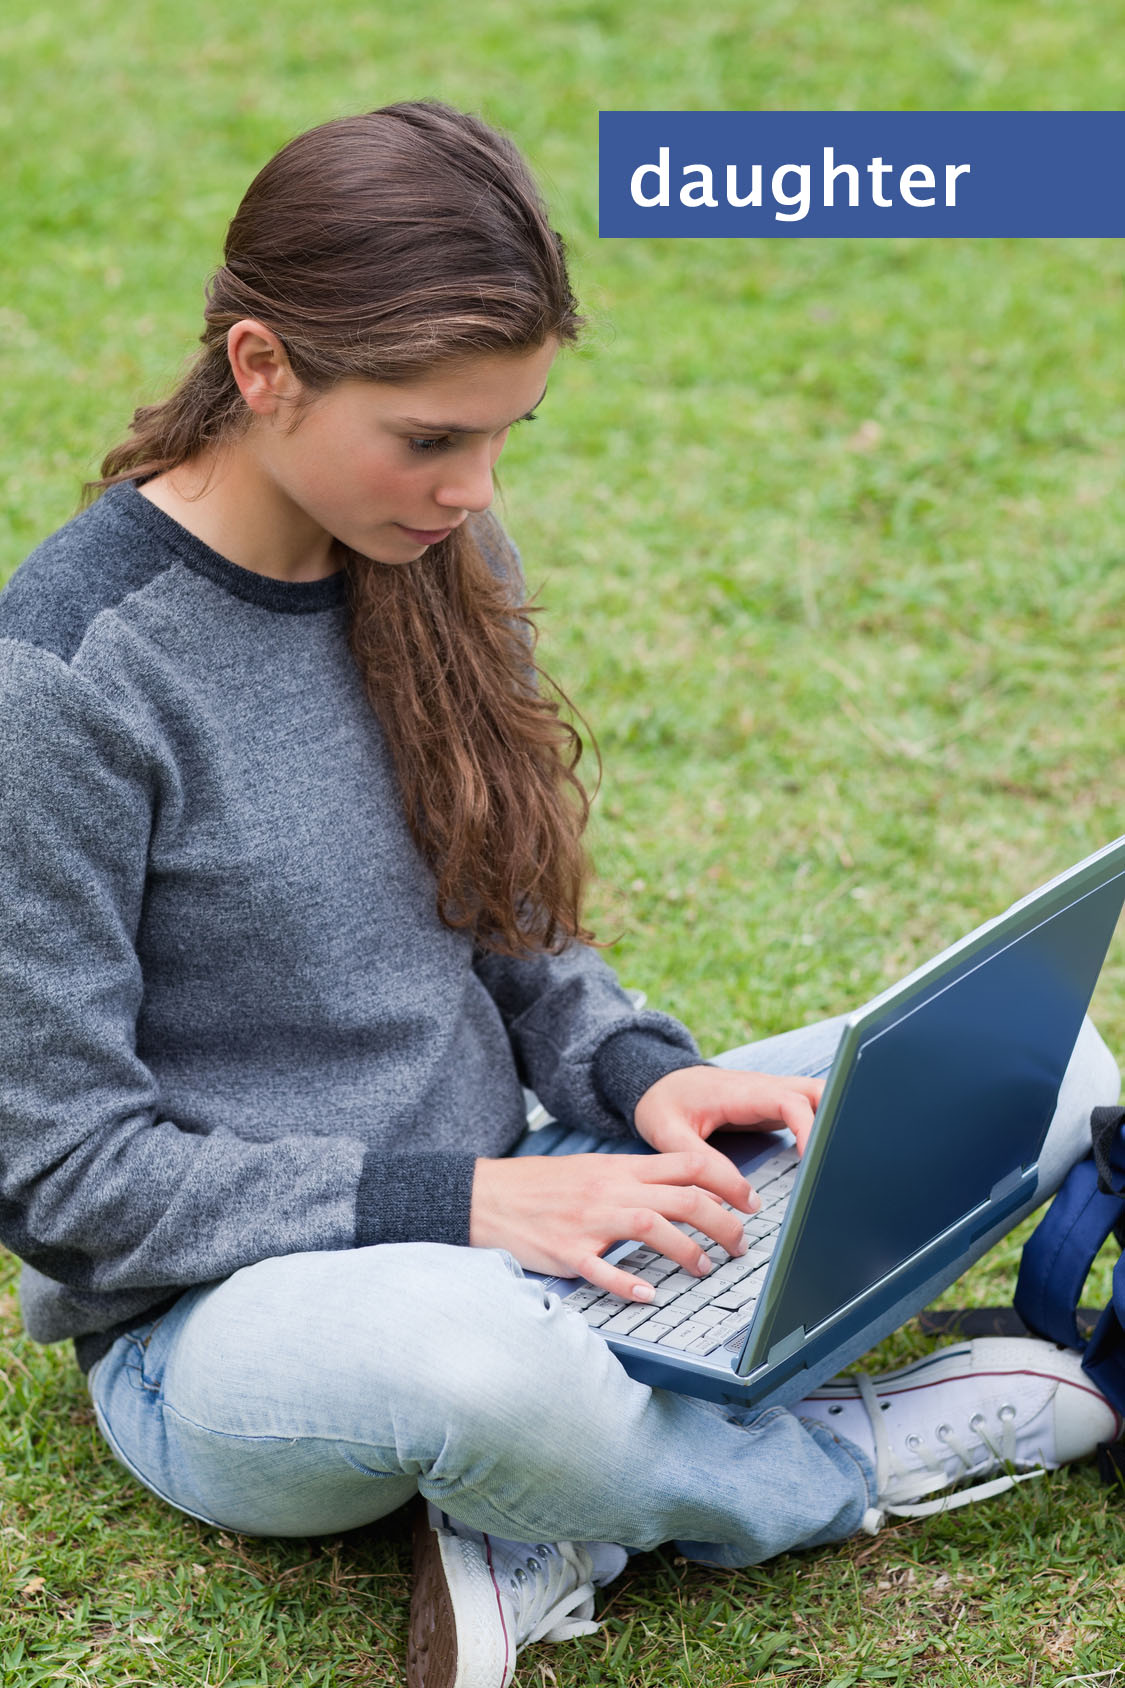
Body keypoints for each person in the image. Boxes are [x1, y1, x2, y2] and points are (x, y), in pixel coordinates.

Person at [0, 100, 1120, 1688]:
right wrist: (457, 1208)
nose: (470, 485)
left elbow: (511, 925)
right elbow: (62, 1178)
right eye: (430, 435)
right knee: (470, 1371)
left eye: (504, 433)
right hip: (239, 1329)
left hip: (536, 1210)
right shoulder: (62, 678)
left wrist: (647, 1080)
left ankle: (550, 1507)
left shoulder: (431, 548)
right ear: (262, 370)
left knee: (1053, 1074)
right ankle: (826, 1462)